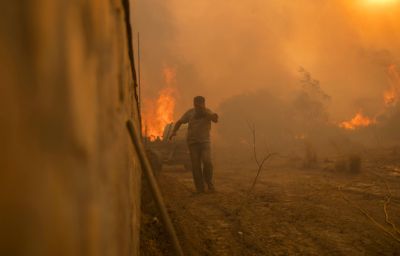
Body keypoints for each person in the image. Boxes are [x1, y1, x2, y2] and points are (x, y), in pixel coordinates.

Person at [169, 96, 218, 194]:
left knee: (207, 162)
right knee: (196, 166)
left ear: (204, 104)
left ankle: (209, 183)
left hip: (205, 142)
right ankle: (200, 189)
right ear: (194, 105)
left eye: (200, 105)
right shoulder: (190, 113)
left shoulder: (208, 112)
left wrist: (209, 114)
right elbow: (179, 122)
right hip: (193, 143)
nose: (198, 107)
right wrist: (174, 131)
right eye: (196, 105)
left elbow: (215, 119)